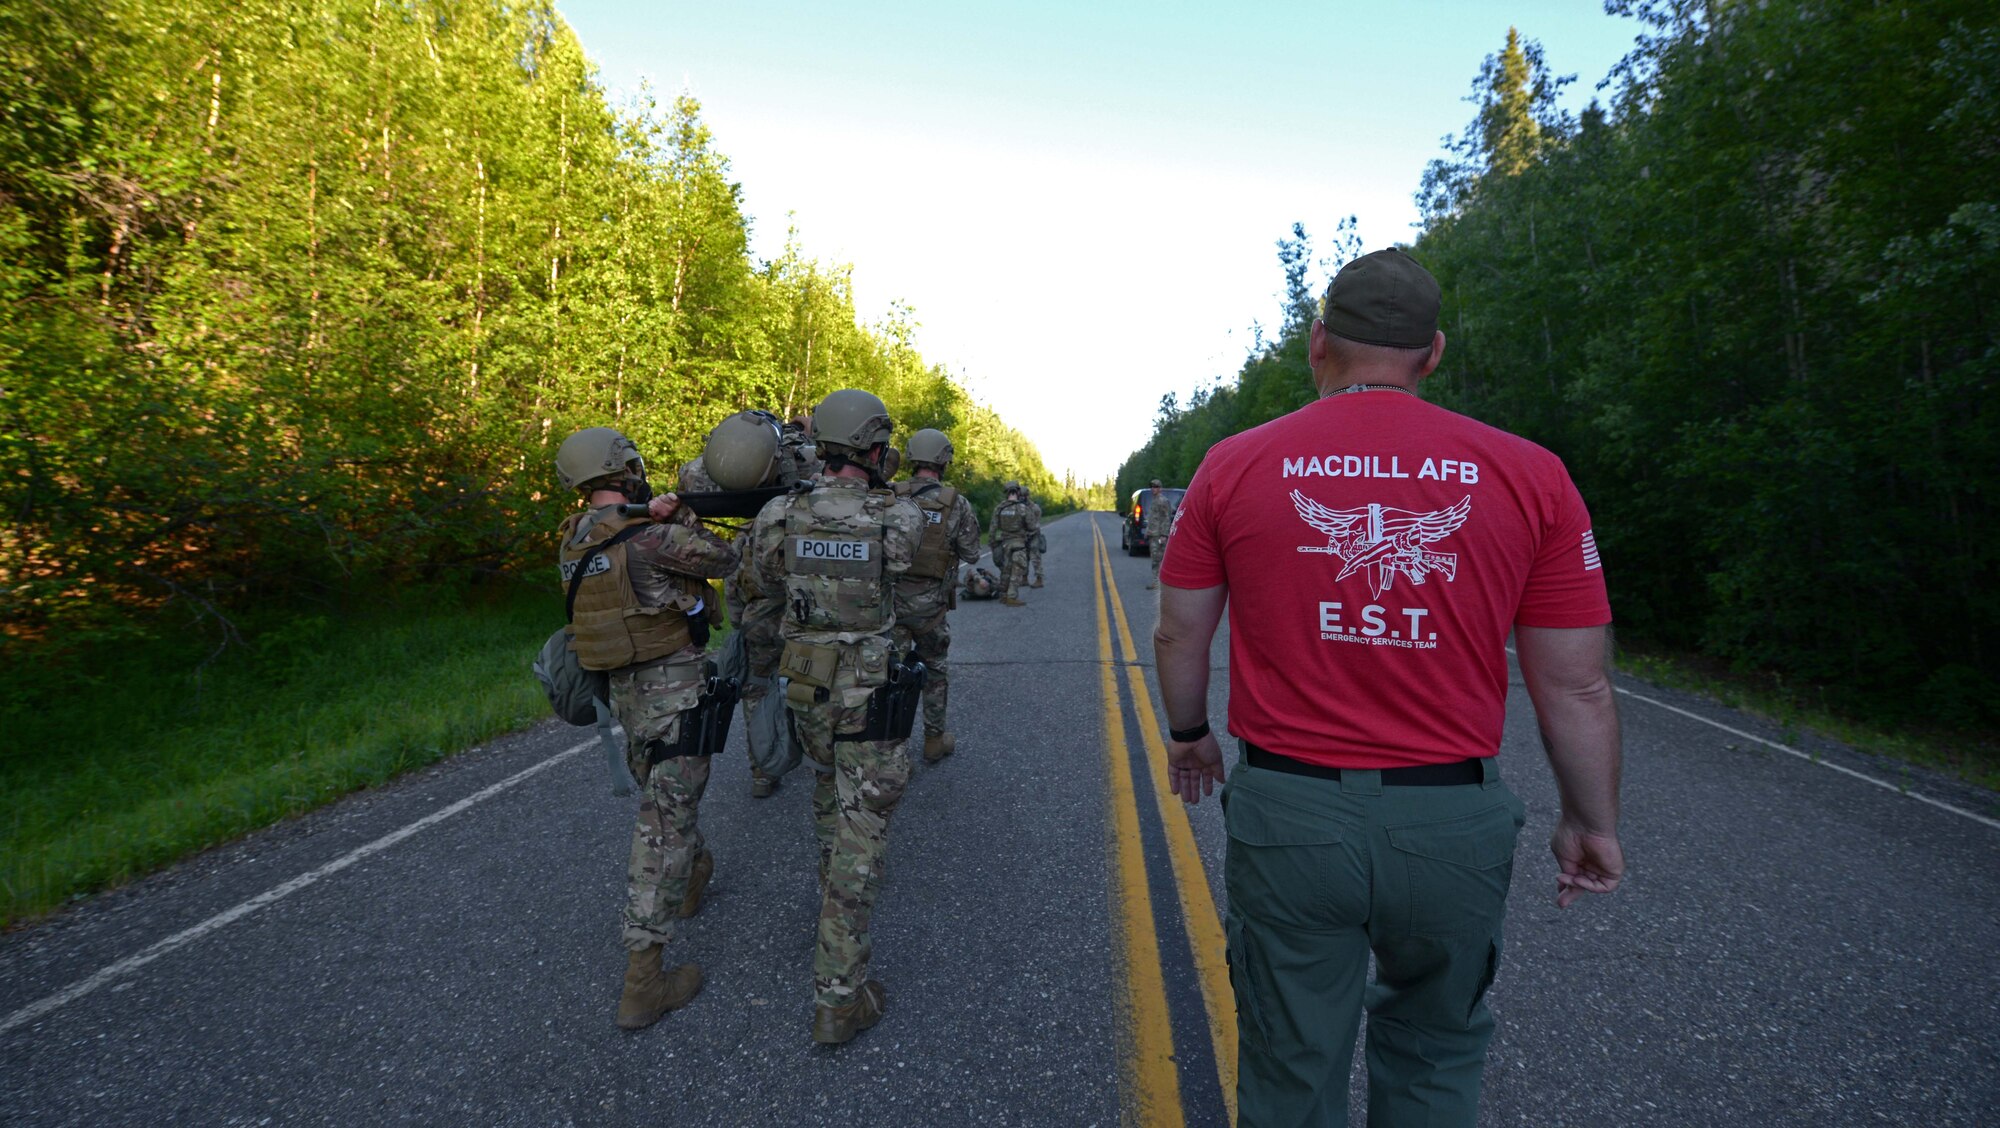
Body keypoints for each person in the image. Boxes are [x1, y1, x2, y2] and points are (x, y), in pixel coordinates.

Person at [1153, 248, 1625, 1127]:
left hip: (1290, 815)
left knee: (1293, 1063)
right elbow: (1579, 686)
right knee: (1438, 1053)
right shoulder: (1531, 475)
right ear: (1432, 352)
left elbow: (1181, 628)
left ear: (1318, 342)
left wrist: (1190, 733)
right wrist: (1590, 822)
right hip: (1451, 824)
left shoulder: (1235, 463)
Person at [749, 388, 924, 1045]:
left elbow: (760, 579)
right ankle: (839, 995)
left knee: (827, 795)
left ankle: (832, 916)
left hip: (808, 690)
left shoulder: (780, 513)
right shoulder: (895, 516)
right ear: (875, 448)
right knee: (863, 832)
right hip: (866, 695)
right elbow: (905, 570)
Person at [554, 427, 741, 1031]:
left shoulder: (573, 540)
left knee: (667, 802)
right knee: (661, 825)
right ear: (625, 469)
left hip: (625, 697)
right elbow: (725, 558)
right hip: (674, 695)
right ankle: (643, 982)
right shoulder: (653, 536)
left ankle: (693, 877)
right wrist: (684, 513)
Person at [681, 411, 820, 798]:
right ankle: (812, 753)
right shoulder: (805, 461)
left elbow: (691, 480)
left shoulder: (723, 470)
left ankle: (763, 769)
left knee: (756, 682)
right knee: (808, 675)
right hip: (792, 595)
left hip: (748, 592)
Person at [891, 429, 982, 764]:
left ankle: (893, 750)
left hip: (891, 607)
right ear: (944, 459)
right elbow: (972, 553)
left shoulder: (892, 495)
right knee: (936, 670)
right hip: (931, 611)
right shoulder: (955, 502)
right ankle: (933, 740)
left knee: (891, 677)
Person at [988, 481, 1037, 607]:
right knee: (1017, 570)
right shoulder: (1023, 508)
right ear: (1018, 492)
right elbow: (1032, 527)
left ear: (1006, 493)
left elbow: (993, 528)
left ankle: (1004, 595)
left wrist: (993, 545)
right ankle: (1012, 597)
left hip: (1004, 543)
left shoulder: (999, 508)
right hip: (1018, 543)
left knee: (1006, 569)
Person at [1143, 478, 1178, 590]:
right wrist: (1148, 531)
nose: (1154, 489)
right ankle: (1157, 581)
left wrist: (1164, 535)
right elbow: (1153, 518)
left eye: (1156, 487)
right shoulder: (1155, 500)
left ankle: (1158, 582)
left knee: (1158, 558)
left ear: (1160, 488)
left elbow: (1166, 519)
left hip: (1159, 535)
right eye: (1152, 487)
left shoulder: (1163, 501)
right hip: (1153, 533)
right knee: (1155, 557)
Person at [1024, 487, 1047, 588]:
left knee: (1035, 558)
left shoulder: (1035, 508)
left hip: (1033, 536)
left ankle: (1039, 579)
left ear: (1027, 496)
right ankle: (1024, 579)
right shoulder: (1019, 507)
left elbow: (1036, 523)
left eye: (1023, 496)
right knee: (1023, 558)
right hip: (1023, 536)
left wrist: (1030, 532)